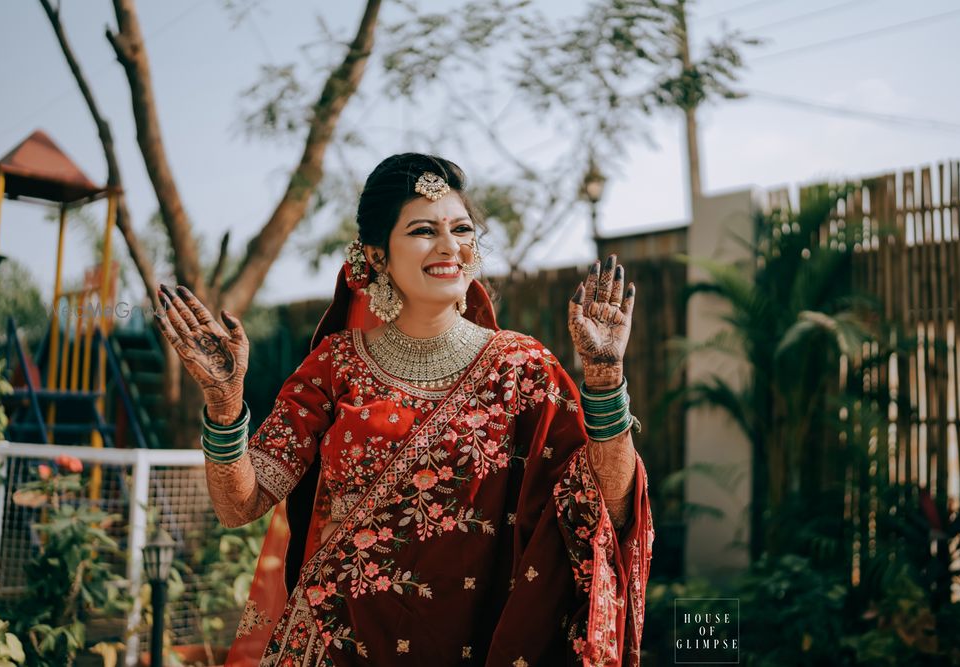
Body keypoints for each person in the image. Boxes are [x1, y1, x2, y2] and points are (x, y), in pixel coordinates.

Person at [154, 153, 653, 667]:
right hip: (332, 643)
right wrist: (224, 401)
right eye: (422, 231)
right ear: (376, 255)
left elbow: (603, 511)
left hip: (469, 643)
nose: (448, 247)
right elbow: (240, 504)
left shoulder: (521, 369)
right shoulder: (335, 364)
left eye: (461, 229)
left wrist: (604, 378)